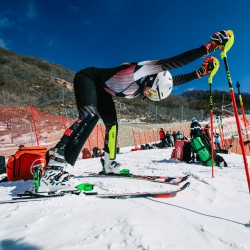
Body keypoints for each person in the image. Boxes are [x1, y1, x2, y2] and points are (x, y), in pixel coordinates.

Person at [41, 30, 232, 190]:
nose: (150, 97)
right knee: (89, 117)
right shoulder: (143, 70)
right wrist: (209, 47)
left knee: (113, 127)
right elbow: (174, 62)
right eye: (153, 93)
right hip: (87, 79)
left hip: (103, 91)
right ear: (151, 80)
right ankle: (53, 169)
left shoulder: (151, 84)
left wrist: (199, 73)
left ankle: (109, 163)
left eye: (155, 97)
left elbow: (174, 81)